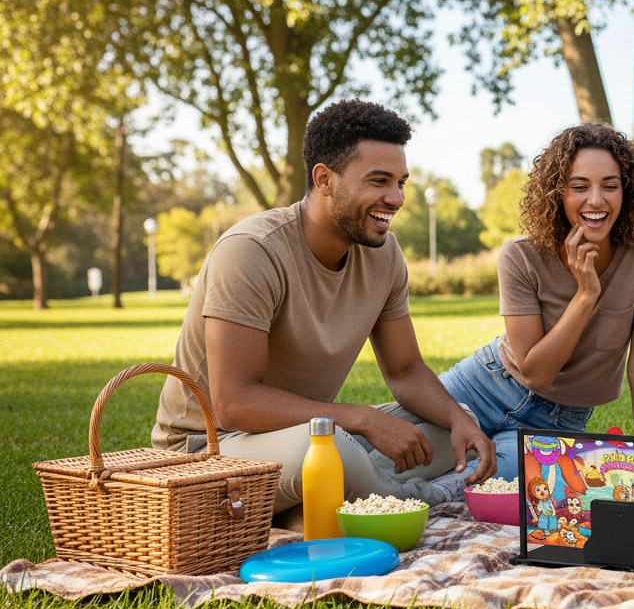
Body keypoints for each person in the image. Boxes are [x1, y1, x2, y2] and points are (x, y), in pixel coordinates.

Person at [151, 100, 496, 516]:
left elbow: (405, 371)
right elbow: (234, 401)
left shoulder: (383, 254)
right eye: (379, 181)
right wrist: (363, 419)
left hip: (306, 435)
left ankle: (320, 501)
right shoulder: (251, 252)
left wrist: (458, 420)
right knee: (332, 450)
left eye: (401, 182)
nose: (397, 198)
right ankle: (416, 499)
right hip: (207, 450)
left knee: (449, 423)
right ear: (324, 179)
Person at [439, 122, 634, 488]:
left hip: (560, 423)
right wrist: (585, 296)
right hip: (483, 387)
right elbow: (535, 373)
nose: (596, 200)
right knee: (400, 455)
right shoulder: (520, 256)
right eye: (579, 187)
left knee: (457, 487)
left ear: (626, 193)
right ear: (557, 193)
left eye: (610, 186)